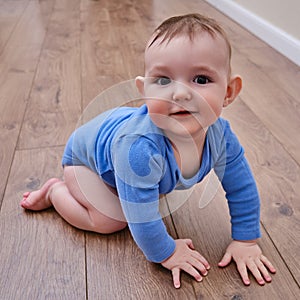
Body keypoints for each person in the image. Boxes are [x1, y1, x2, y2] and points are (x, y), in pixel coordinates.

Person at [20, 13, 276, 289]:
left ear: (229, 91)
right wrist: (166, 251)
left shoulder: (221, 137)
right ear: (144, 90)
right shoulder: (139, 149)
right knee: (110, 221)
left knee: (148, 193)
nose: (179, 94)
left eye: (201, 79)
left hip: (120, 153)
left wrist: (246, 240)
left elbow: (241, 187)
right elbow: (142, 218)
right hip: (87, 164)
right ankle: (55, 192)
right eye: (164, 81)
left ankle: (128, 187)